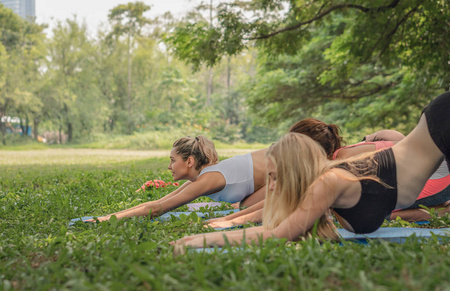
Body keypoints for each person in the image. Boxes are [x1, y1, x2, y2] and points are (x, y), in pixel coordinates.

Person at [172, 91, 450, 249]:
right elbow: (279, 217)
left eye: (274, 177)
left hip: (440, 128)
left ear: (294, 171)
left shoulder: (329, 181)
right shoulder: (325, 186)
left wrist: (196, 241)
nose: (269, 187)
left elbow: (277, 234)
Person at [86, 135, 267, 222]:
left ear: (189, 161)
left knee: (252, 209)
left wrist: (104, 220)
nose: (169, 166)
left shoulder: (207, 179)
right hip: (273, 176)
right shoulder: (198, 179)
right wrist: (108, 216)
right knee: (246, 206)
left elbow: (158, 209)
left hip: (286, 162)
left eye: (173, 161)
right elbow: (159, 201)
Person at [204, 118, 345, 228]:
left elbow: (287, 209)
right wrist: (229, 218)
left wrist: (234, 221)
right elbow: (281, 199)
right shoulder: (316, 165)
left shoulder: (332, 171)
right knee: (247, 205)